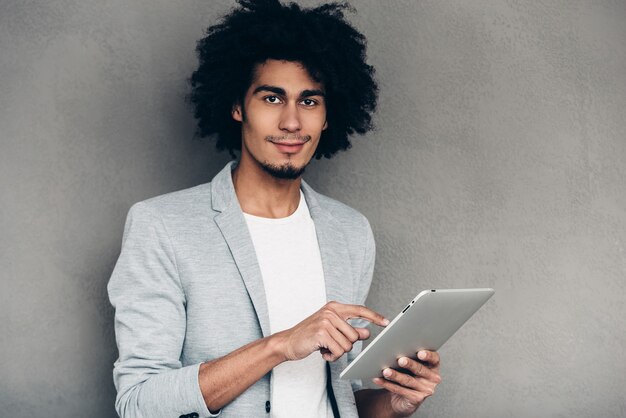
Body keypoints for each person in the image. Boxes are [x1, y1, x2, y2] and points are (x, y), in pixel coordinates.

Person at [107, 1, 441, 417]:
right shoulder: (162, 226)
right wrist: (280, 345)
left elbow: (338, 397)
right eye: (271, 98)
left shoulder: (349, 231)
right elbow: (140, 403)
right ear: (237, 106)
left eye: (309, 102)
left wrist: (395, 402)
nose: (291, 122)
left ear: (326, 116)